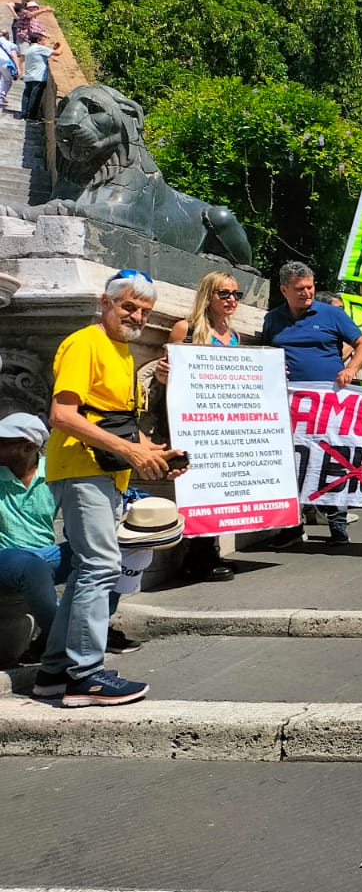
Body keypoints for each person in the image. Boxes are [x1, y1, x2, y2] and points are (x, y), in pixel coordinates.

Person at [34, 270, 185, 706]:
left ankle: (55, 672)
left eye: (144, 310)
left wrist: (154, 455)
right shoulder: (85, 343)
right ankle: (87, 676)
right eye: (128, 306)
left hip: (101, 473)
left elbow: (113, 421)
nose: (136, 315)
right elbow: (62, 416)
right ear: (106, 302)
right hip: (81, 472)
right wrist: (132, 451)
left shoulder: (120, 351)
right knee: (100, 567)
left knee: (90, 569)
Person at [261, 261, 362, 548]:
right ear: (284, 290)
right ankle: (291, 528)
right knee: (289, 464)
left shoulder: (332, 314)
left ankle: (337, 523)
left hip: (328, 404)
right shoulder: (273, 319)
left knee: (331, 460)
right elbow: (264, 353)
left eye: (310, 287)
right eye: (300, 289)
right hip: (287, 405)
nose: (307, 293)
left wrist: (350, 369)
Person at [154, 271, 245, 581]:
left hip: (223, 424)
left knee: (218, 490)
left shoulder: (234, 336)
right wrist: (163, 374)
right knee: (198, 489)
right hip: (192, 423)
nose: (232, 299)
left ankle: (211, 552)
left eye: (236, 294)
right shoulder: (186, 329)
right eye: (225, 293)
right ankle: (198, 557)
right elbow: (164, 374)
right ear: (209, 295)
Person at [0, 413, 61, 666]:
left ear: (29, 447)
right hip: (9, 558)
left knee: (108, 556)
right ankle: (65, 646)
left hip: (48, 553)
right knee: (31, 566)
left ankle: (100, 625)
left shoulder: (56, 473)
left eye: (4, 442)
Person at [19, 35, 58, 121]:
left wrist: (53, 49)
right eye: (44, 40)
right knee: (35, 97)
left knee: (27, 95)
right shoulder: (39, 48)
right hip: (38, 77)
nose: (45, 42)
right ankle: (30, 116)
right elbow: (58, 53)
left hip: (29, 76)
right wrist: (62, 45)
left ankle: (24, 113)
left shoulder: (30, 49)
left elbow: (45, 55)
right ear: (38, 40)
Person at [0, 31, 17, 112]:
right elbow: (14, 56)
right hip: (4, 63)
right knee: (7, 80)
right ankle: (2, 95)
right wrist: (18, 68)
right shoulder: (10, 44)